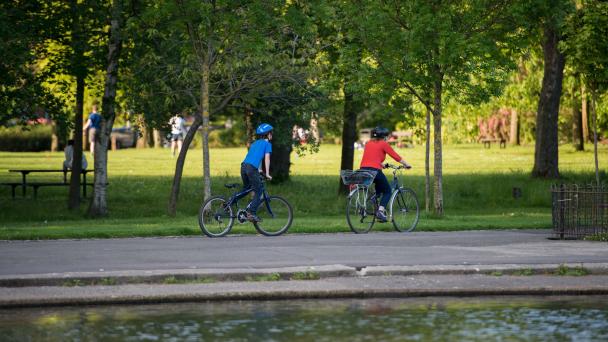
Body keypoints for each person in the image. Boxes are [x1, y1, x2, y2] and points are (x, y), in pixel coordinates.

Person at [359, 126, 412, 222]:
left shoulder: (368, 143)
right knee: (387, 190)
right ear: (384, 136)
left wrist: (381, 164)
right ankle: (380, 211)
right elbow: (395, 156)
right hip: (374, 171)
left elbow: (371, 157)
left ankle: (372, 202)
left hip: (363, 170)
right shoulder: (383, 144)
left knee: (379, 189)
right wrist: (406, 164)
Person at [235, 123, 273, 223]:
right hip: (251, 168)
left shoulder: (255, 143)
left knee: (246, 188)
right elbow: (267, 159)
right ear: (268, 134)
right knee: (259, 191)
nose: (271, 134)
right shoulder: (267, 144)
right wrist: (267, 173)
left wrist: (259, 170)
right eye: (271, 133)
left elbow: (253, 157)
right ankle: (251, 213)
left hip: (244, 166)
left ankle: (228, 203)